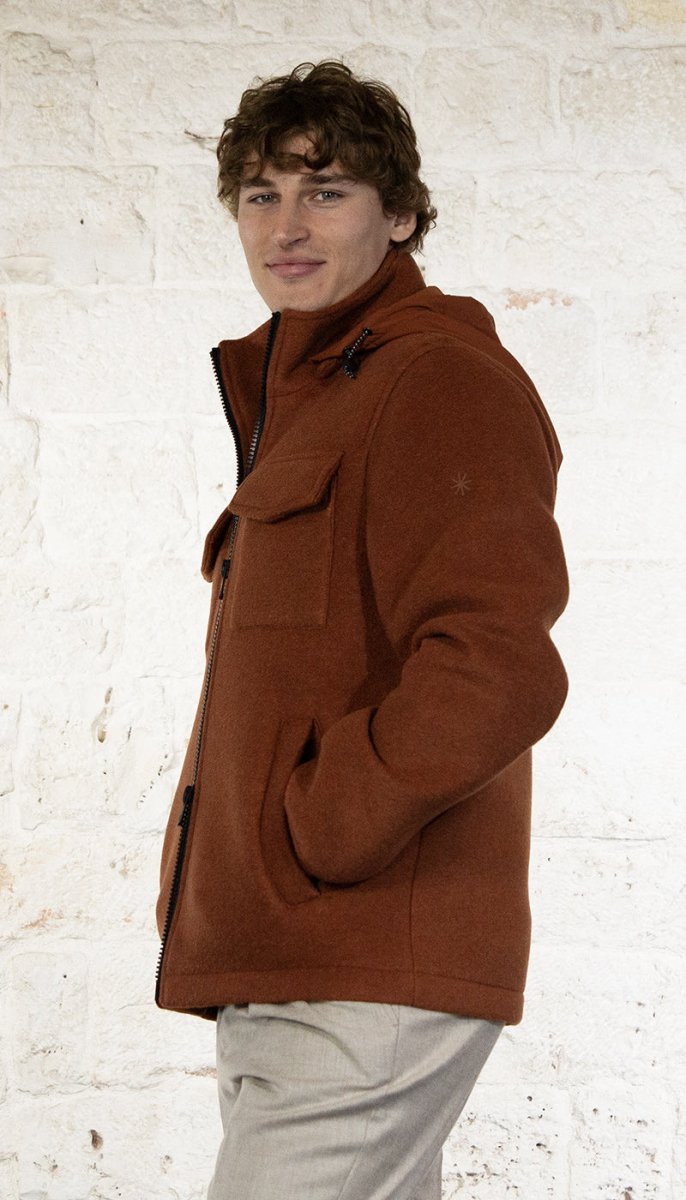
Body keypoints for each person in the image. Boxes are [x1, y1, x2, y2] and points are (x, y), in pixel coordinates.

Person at [154, 60, 569, 1200]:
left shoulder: (438, 379)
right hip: (290, 954)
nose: (286, 226)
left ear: (399, 216)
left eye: (326, 191)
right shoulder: (316, 395)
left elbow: (498, 662)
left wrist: (323, 827)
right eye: (261, 195)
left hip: (365, 951)